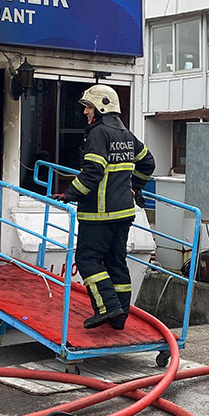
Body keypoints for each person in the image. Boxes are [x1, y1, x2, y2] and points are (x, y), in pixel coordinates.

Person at [57, 85, 155, 330]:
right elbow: (148, 162)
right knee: (116, 262)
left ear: (101, 107)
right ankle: (120, 317)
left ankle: (106, 306)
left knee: (87, 259)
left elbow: (93, 171)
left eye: (88, 107)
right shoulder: (126, 135)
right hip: (123, 213)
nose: (86, 113)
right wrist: (136, 187)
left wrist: (69, 194)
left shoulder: (98, 134)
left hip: (98, 214)